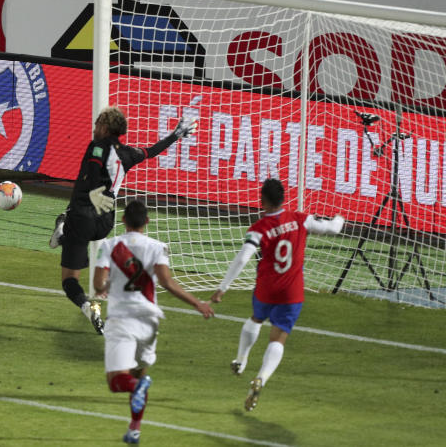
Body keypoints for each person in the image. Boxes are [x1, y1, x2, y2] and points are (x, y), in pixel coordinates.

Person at [48, 106, 197, 334]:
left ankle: (86, 302)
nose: (94, 128)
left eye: (98, 124)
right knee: (77, 218)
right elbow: (152, 151)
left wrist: (92, 191)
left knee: (69, 280)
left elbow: (92, 171)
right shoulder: (129, 153)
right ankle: (65, 229)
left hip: (83, 218)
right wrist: (176, 135)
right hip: (105, 223)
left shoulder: (97, 147)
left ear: (105, 128)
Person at [210, 178, 344, 411]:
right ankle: (261, 377)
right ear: (283, 198)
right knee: (278, 338)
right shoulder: (300, 220)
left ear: (262, 201)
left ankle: (241, 360)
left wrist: (223, 287)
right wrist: (340, 218)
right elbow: (333, 228)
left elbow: (242, 258)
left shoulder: (260, 228)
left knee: (256, 318)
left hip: (265, 288)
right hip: (291, 291)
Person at [94, 200, 214, 444]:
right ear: (147, 222)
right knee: (139, 374)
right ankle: (135, 429)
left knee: (118, 382)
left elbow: (98, 285)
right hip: (150, 321)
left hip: (122, 319)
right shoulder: (158, 247)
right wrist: (197, 304)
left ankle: (137, 396)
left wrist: (107, 285)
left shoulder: (109, 245)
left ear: (123, 221)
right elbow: (167, 283)